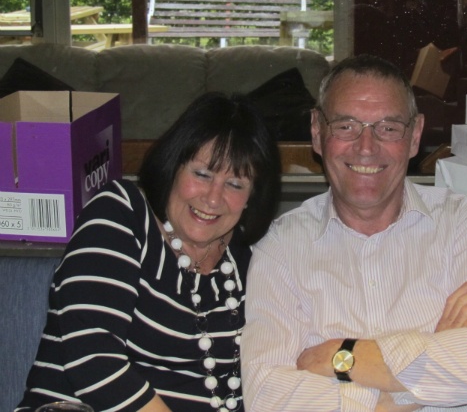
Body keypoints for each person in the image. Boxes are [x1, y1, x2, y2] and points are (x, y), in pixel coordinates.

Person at [241, 54, 467, 411]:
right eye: (346, 126)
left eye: (388, 127)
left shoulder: (462, 223)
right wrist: (401, 392)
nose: (366, 147)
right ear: (317, 133)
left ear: (415, 136)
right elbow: (267, 396)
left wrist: (340, 357)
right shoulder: (281, 247)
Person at [16, 92, 281, 412]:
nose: (213, 198)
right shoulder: (122, 214)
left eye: (235, 184)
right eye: (202, 174)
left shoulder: (248, 261)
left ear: (253, 196)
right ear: (174, 166)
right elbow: (95, 358)